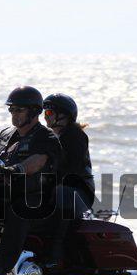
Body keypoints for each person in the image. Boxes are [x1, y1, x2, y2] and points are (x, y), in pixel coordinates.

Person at [0, 86, 61, 275]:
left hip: (35, 197)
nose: (14, 114)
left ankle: (1, 265)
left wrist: (17, 169)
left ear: (34, 112)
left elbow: (38, 161)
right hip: (3, 194)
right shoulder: (5, 134)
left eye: (19, 110)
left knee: (20, 209)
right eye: (11, 109)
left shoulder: (46, 137)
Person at [43, 93, 95, 265]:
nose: (45, 116)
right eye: (44, 112)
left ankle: (55, 251)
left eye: (49, 113)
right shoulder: (50, 136)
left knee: (62, 193)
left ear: (63, 115)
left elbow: (71, 169)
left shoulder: (75, 135)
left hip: (79, 191)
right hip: (61, 186)